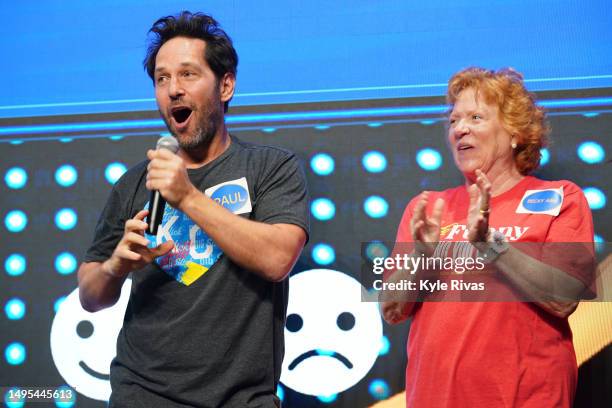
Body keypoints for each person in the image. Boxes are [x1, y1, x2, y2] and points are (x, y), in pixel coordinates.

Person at [77, 11, 308, 407]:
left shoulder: (270, 167)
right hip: (142, 394)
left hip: (242, 398)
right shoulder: (136, 182)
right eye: (162, 79)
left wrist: (187, 197)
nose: (173, 90)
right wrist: (116, 264)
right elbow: (90, 295)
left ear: (226, 85)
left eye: (187, 74)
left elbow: (277, 258)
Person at [382, 67, 595, 407]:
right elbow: (390, 308)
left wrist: (491, 245)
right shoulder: (428, 208)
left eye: (476, 117)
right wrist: (422, 256)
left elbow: (564, 297)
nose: (460, 129)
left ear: (515, 133)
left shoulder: (561, 197)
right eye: (453, 121)